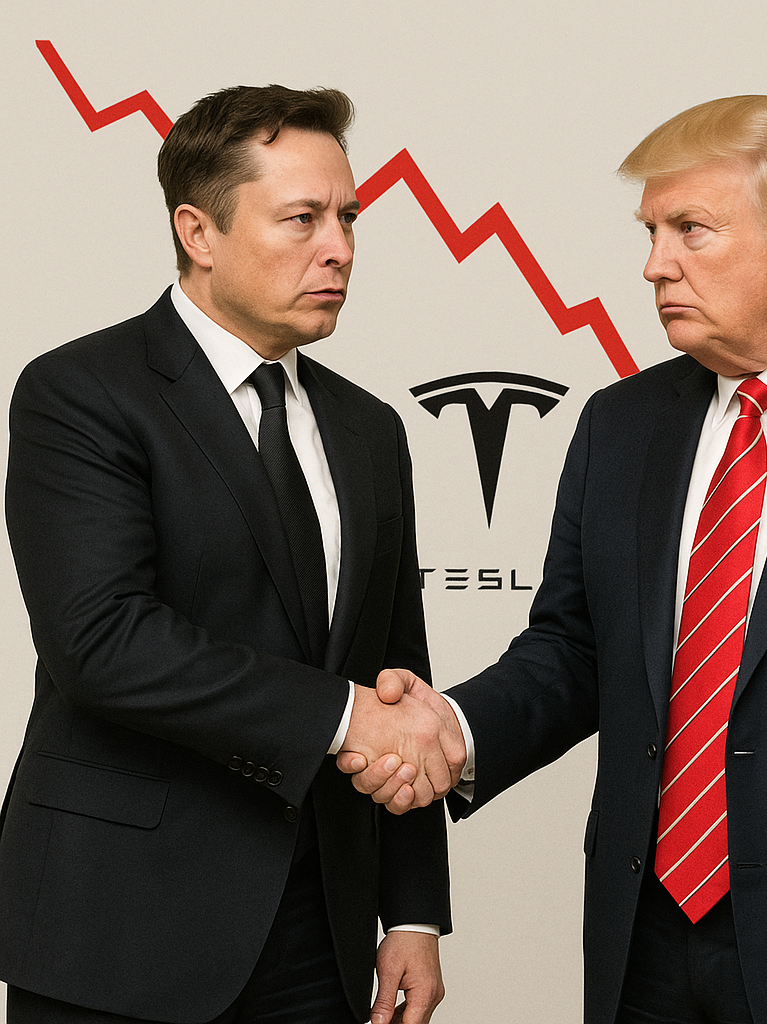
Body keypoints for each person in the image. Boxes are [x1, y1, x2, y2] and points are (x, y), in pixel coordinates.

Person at [342, 95, 767, 1023]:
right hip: (646, 946)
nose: (655, 264)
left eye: (689, 230)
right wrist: (452, 730)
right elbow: (575, 653)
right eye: (651, 232)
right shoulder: (621, 425)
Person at [0, 84, 456, 1024]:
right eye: (302, 218)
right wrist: (342, 718)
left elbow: (397, 677)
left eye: (348, 217)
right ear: (197, 232)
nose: (340, 248)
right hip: (115, 927)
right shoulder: (79, 393)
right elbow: (102, 642)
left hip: (319, 932)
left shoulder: (370, 430)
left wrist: (413, 912)